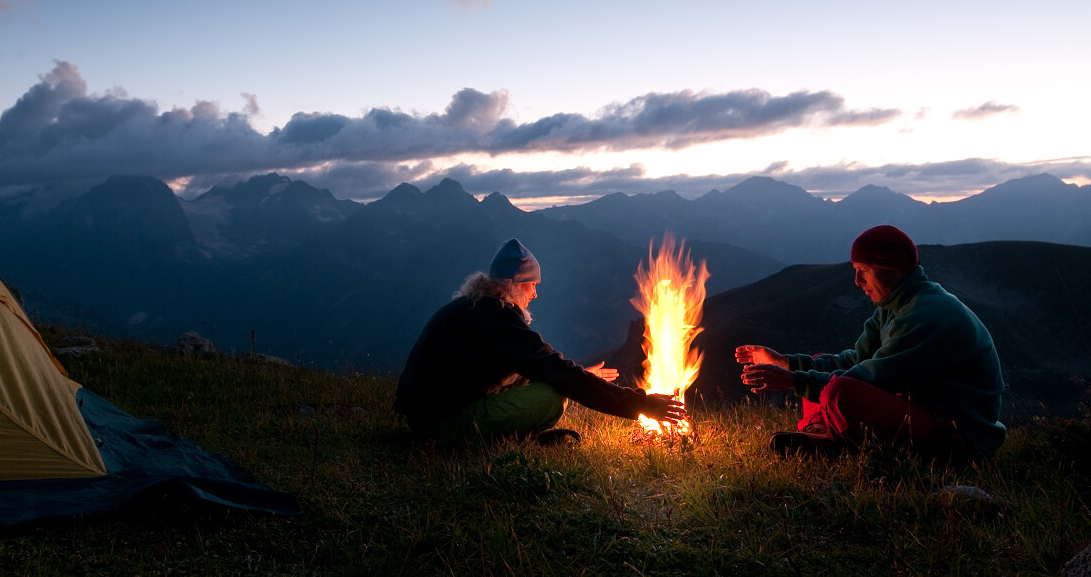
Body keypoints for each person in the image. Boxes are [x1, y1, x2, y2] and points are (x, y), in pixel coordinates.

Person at [736, 224, 1006, 460]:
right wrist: (785, 362)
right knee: (820, 365)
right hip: (926, 410)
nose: (857, 281)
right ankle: (822, 437)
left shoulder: (926, 315)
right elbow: (855, 360)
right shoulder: (894, 305)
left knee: (838, 391)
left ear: (891, 270)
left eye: (863, 270)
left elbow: (871, 379)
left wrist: (792, 381)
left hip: (958, 436)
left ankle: (835, 442)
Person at [394, 238, 684, 444]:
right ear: (514, 285)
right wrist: (641, 404)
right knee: (552, 396)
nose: (534, 294)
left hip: (428, 413)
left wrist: (579, 376)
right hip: (439, 424)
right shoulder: (499, 320)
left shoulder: (477, 309)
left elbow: (535, 365)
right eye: (532, 285)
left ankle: (518, 436)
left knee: (554, 381)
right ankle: (498, 439)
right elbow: (555, 372)